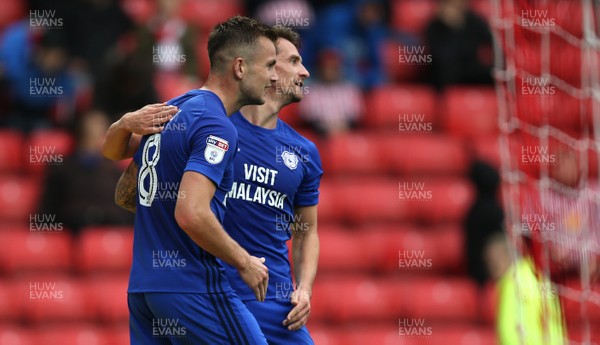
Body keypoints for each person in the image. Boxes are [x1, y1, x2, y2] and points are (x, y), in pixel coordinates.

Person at [104, 26, 322, 344]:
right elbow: (133, 193)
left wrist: (304, 289)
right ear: (243, 65)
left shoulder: (303, 152)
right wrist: (241, 260)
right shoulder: (208, 121)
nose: (303, 70)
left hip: (272, 302)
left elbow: (307, 229)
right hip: (211, 287)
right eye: (286, 61)